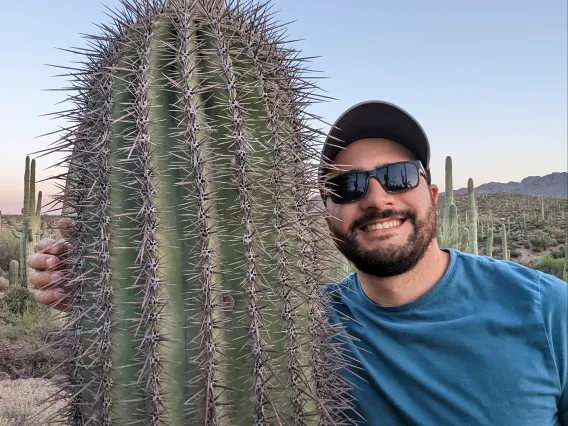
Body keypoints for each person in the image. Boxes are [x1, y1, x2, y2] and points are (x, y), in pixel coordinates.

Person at [28, 100, 567, 425]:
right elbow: (195, 337)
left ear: (434, 194)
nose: (377, 199)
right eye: (346, 185)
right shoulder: (298, 326)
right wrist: (107, 289)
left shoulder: (545, 310)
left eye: (399, 176)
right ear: (326, 214)